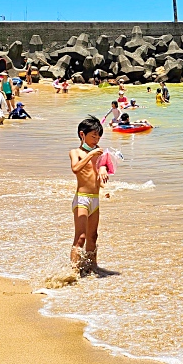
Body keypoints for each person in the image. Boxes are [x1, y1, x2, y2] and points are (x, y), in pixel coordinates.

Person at [69, 115, 109, 274]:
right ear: (82, 134)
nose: (96, 140)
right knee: (81, 237)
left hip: (95, 199)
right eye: (93, 136)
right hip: (81, 199)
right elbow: (75, 169)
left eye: (98, 137)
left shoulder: (99, 155)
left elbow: (100, 175)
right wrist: (91, 155)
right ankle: (74, 271)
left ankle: (92, 268)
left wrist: (105, 184)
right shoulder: (75, 152)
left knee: (93, 236)